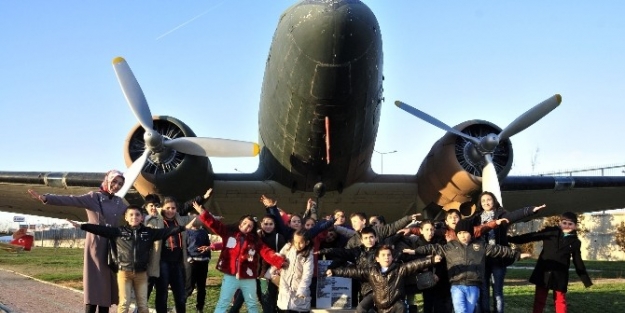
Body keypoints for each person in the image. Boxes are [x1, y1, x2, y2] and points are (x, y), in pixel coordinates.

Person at [28, 170, 127, 313]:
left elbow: (134, 214)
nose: (117, 186)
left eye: (120, 184)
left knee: (106, 286)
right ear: (107, 180)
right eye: (114, 182)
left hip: (111, 247)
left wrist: (155, 214)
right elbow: (71, 199)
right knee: (94, 285)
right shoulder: (94, 197)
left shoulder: (118, 202)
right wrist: (46, 198)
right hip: (95, 245)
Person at [67, 205, 190, 313]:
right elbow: (100, 229)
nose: (134, 217)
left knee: (143, 305)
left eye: (137, 215)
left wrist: (183, 228)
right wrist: (82, 226)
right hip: (124, 272)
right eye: (131, 215)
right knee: (124, 304)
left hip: (141, 273)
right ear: (126, 217)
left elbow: (166, 231)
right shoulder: (119, 232)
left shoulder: (148, 232)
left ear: (142, 218)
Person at [408, 218, 529, 313]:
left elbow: (499, 250)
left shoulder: (480, 246)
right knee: (461, 311)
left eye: (465, 232)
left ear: (470, 233)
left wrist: (517, 255)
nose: (462, 235)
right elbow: (432, 247)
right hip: (457, 285)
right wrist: (415, 251)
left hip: (474, 285)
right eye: (459, 233)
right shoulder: (450, 247)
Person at [193, 192, 286, 313]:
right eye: (244, 223)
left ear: (253, 228)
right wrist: (203, 213)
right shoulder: (229, 233)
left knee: (252, 304)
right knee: (223, 302)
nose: (246, 227)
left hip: (248, 277)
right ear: (240, 223)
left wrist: (280, 261)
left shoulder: (255, 240)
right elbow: (216, 225)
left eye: (250, 226)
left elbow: (267, 252)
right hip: (231, 275)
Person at [473, 191, 546, 313]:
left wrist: (531, 210)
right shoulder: (476, 218)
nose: (486, 202)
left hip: (499, 259)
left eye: (489, 199)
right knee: (483, 291)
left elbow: (515, 215)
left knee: (497, 292)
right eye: (483, 200)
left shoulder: (501, 214)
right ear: (480, 203)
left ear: (494, 201)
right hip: (482, 260)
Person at [507, 212, 593, 313]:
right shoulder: (550, 232)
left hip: (560, 274)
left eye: (570, 224)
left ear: (575, 226)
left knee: (560, 300)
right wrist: (511, 239)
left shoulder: (575, 242)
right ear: (560, 223)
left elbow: (577, 261)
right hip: (544, 271)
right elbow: (532, 236)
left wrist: (585, 279)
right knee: (539, 299)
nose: (567, 226)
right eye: (564, 223)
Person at [327, 245, 440, 313]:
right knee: (361, 308)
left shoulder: (399, 269)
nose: (386, 257)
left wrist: (431, 260)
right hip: (379, 305)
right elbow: (352, 271)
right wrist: (334, 271)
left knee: (401, 307)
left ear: (392, 257)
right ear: (377, 258)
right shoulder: (371, 271)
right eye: (383, 255)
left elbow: (414, 264)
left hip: (395, 305)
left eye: (389, 255)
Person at [150, 196, 203, 313]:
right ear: (162, 208)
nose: (170, 210)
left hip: (177, 262)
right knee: (162, 293)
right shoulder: (156, 220)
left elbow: (199, 219)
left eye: (173, 208)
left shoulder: (179, 219)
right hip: (162, 261)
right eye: (167, 207)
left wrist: (210, 217)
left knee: (180, 294)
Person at [276, 229, 315, 313]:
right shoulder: (288, 247)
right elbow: (278, 257)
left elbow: (307, 274)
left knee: (296, 308)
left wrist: (302, 289)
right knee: (284, 308)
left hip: (298, 291)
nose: (297, 245)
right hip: (285, 287)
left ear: (307, 242)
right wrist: (279, 264)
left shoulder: (308, 255)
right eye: (295, 242)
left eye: (300, 242)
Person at [185, 214, 212, 313]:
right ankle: (180, 305)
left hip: (203, 262)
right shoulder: (187, 232)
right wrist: (188, 258)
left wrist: (208, 257)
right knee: (189, 287)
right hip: (192, 262)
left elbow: (208, 245)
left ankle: (199, 308)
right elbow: (184, 246)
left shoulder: (204, 232)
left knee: (201, 287)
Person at [142, 194, 162, 302]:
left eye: (156, 205)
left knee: (160, 295)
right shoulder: (141, 220)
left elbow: (182, 210)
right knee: (144, 294)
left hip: (158, 264)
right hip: (145, 265)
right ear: (146, 207)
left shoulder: (162, 220)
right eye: (151, 205)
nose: (154, 208)